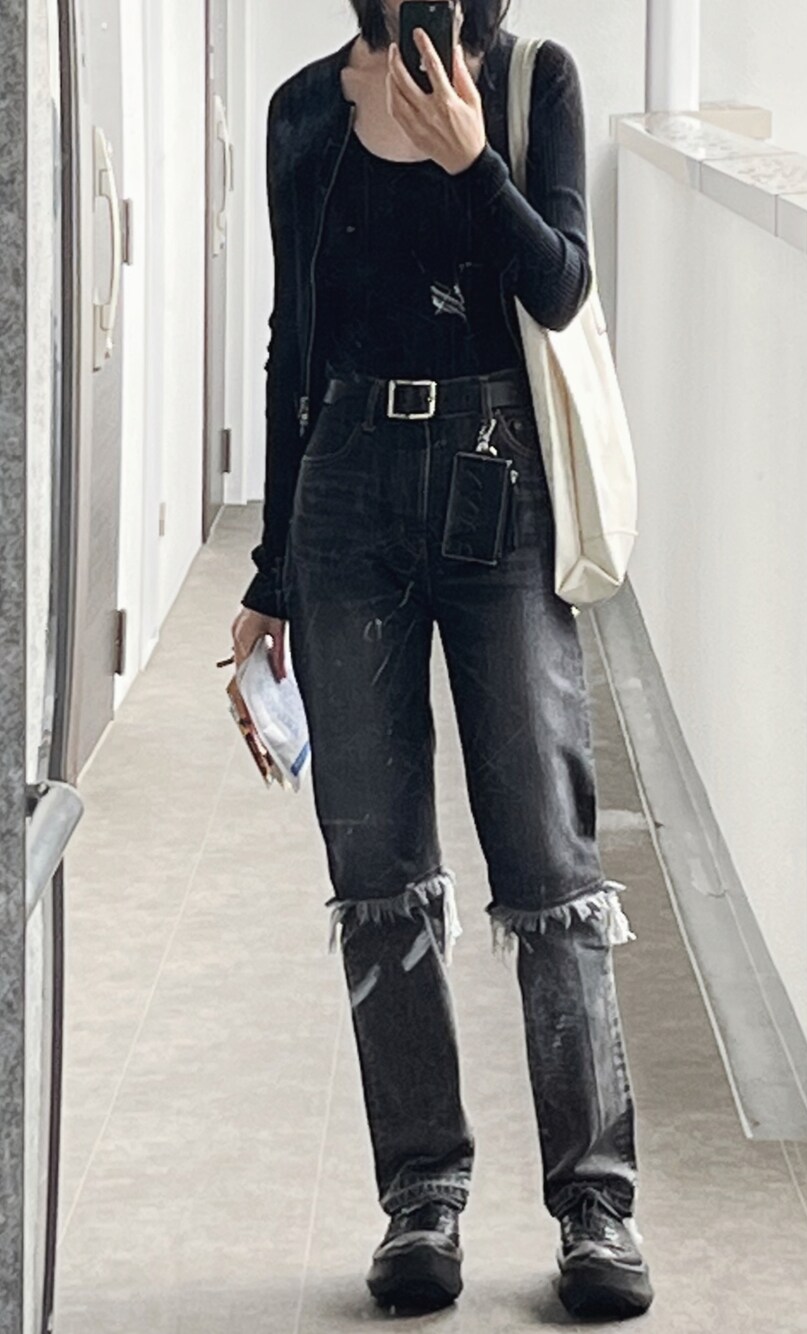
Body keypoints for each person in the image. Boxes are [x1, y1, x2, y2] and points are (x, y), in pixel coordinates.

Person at [230, 0, 653, 1319]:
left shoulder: (532, 84)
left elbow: (562, 284)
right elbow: (294, 342)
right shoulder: (306, 110)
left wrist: (474, 161)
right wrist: (271, 573)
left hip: (499, 485)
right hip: (346, 492)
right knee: (376, 870)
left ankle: (595, 1208)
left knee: (548, 858)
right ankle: (421, 1196)